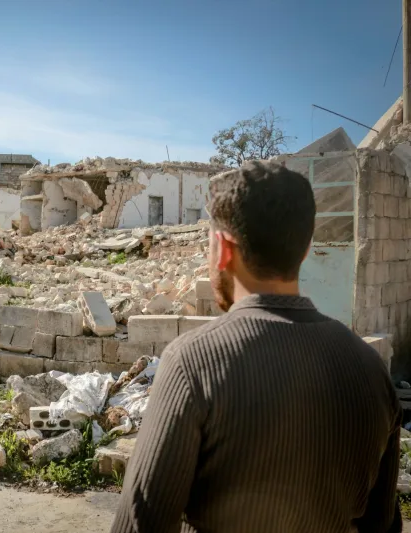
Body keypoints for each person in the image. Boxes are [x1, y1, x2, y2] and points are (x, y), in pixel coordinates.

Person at [111, 160, 401, 533]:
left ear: (224, 248)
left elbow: (140, 524)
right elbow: (383, 525)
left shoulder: (193, 362)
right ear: (306, 247)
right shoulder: (371, 369)